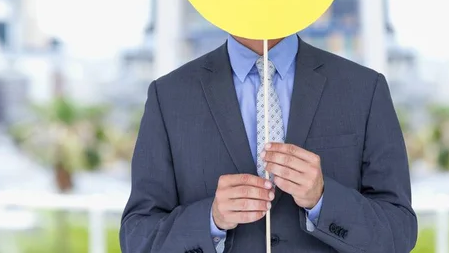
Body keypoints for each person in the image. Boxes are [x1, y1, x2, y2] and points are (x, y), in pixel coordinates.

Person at [120, 34, 417, 253]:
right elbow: (137, 237)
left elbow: (400, 231)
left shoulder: (364, 89)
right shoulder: (168, 96)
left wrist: (324, 199)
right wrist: (211, 219)